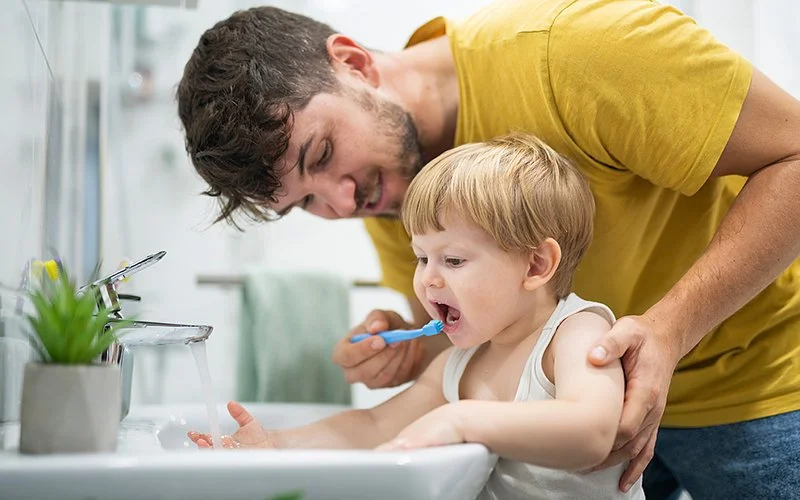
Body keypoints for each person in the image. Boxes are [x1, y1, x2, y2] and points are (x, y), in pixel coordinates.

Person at [176, 1, 800, 498]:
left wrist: (667, 333)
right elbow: (466, 348)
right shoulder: (387, 190)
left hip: (762, 384)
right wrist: (415, 344)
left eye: (321, 155)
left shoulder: (578, 52)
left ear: (354, 63)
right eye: (305, 203)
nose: (340, 205)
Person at [188, 135, 646, 499]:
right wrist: (277, 444)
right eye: (421, 259)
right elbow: (374, 427)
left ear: (535, 266)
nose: (427, 280)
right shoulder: (459, 363)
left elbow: (594, 432)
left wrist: (462, 420)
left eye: (453, 261)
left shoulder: (577, 333)